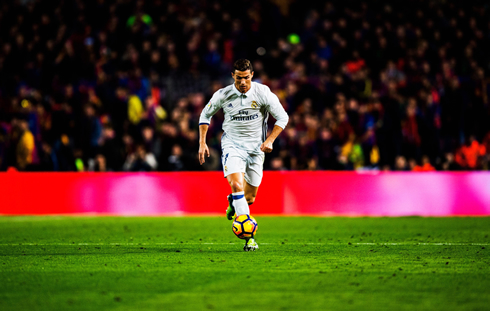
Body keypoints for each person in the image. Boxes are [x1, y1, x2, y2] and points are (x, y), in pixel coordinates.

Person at [198, 59, 289, 251]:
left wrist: (270, 140)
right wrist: (202, 142)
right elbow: (205, 115)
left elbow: (283, 117)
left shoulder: (262, 93)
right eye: (239, 78)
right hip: (233, 145)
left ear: (252, 76)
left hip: (257, 149)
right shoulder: (223, 94)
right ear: (233, 76)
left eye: (246, 77)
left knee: (249, 198)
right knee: (236, 184)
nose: (242, 82)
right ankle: (250, 239)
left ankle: (234, 201)